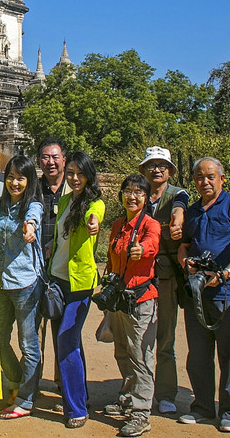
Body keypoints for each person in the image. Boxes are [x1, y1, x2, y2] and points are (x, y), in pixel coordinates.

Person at [177, 157, 230, 433]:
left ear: (222, 178)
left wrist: (225, 274)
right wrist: (186, 263)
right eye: (199, 177)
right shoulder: (193, 211)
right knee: (198, 354)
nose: (205, 182)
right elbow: (184, 246)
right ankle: (202, 407)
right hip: (197, 293)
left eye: (210, 176)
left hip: (228, 294)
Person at [47, 151, 103, 429]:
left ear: (89, 175)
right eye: (70, 173)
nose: (75, 178)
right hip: (57, 279)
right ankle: (80, 396)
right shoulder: (65, 200)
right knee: (69, 341)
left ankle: (76, 408)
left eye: (80, 173)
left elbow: (95, 216)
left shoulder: (95, 203)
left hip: (80, 283)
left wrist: (93, 222)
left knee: (66, 340)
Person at [103, 174, 161, 437]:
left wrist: (141, 250)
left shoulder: (150, 224)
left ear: (146, 198)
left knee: (140, 355)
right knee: (122, 350)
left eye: (139, 192)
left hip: (140, 299)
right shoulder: (118, 225)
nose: (132, 196)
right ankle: (127, 397)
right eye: (128, 191)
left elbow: (151, 245)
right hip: (118, 298)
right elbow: (111, 259)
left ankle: (141, 412)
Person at [0, 155, 45, 420]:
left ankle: (25, 398)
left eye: (20, 178)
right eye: (10, 177)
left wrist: (30, 228)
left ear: (29, 180)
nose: (14, 182)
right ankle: (15, 380)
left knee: (28, 344)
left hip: (26, 283)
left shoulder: (33, 206)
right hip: (2, 281)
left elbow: (33, 219)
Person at [138, 145, 189, 416]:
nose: (156, 169)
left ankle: (166, 393)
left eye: (161, 166)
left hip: (167, 276)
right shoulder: (138, 194)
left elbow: (179, 208)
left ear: (169, 171)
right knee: (137, 339)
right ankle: (136, 391)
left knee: (165, 338)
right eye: (151, 165)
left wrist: (177, 222)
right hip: (139, 275)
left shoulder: (177, 194)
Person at [35, 137, 68, 391]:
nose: (50, 162)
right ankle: (31, 385)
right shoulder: (33, 189)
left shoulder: (75, 188)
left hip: (65, 269)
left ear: (64, 160)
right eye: (45, 157)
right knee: (33, 331)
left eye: (55, 157)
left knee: (65, 332)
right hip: (36, 267)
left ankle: (64, 385)